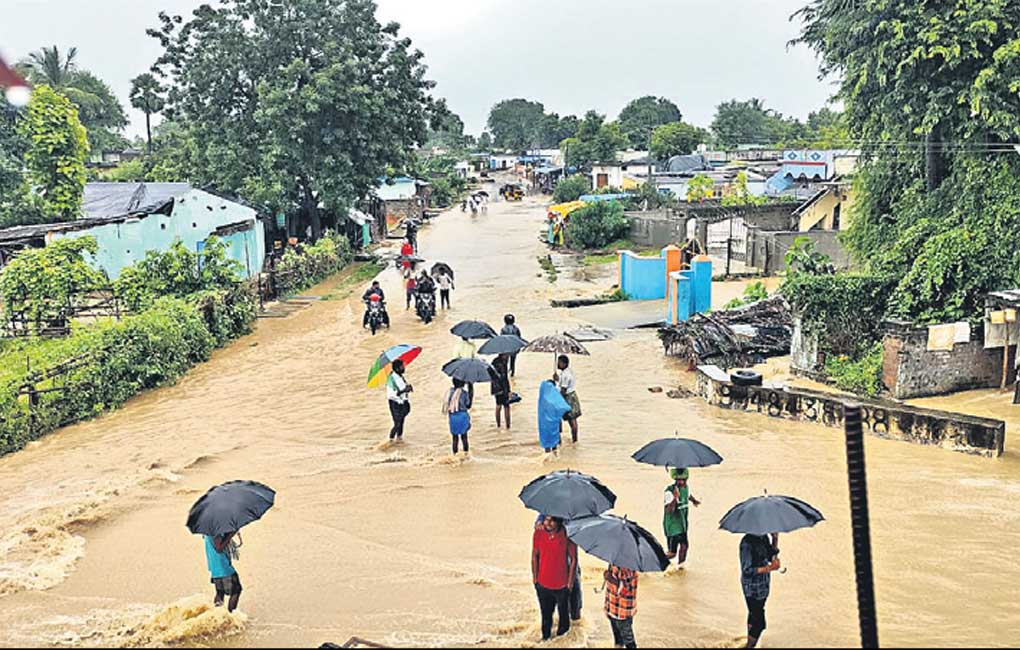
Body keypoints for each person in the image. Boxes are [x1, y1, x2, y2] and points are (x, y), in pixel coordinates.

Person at [531, 515, 577, 641]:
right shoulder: (538, 532)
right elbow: (534, 555)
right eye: (546, 519)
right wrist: (535, 578)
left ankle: (562, 642)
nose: (548, 523)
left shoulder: (568, 534)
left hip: (562, 586)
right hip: (542, 584)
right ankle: (546, 641)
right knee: (546, 617)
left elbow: (574, 559)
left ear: (559, 521)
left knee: (564, 618)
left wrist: (570, 583)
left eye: (552, 520)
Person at [740, 533, 781, 649]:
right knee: (760, 624)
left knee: (753, 615)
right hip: (752, 588)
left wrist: (775, 539)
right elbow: (746, 570)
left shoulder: (763, 537)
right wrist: (769, 568)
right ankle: (749, 646)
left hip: (763, 585)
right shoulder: (747, 544)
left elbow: (770, 556)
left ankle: (750, 641)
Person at [663, 468, 701, 565]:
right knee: (672, 553)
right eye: (678, 480)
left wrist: (694, 500)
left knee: (684, 546)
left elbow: (687, 495)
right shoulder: (669, 491)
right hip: (673, 526)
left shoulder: (685, 488)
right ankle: (657, 559)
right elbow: (669, 510)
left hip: (682, 524)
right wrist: (675, 498)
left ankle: (680, 567)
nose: (681, 482)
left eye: (683, 480)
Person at [204, 531, 242, 613]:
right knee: (236, 590)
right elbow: (219, 548)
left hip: (215, 569)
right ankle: (231, 617)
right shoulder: (216, 528)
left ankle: (217, 616)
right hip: (224, 568)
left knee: (220, 593)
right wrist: (232, 533)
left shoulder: (208, 529)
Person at [604, 563, 638, 649]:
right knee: (618, 639)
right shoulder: (614, 563)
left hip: (622, 612)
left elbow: (626, 589)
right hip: (613, 608)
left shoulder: (628, 566)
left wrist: (610, 578)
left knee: (629, 642)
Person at [553, 355, 581, 443]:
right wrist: (557, 380)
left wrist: (557, 401)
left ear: (563, 363)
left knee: (571, 420)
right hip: (571, 395)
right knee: (572, 419)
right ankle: (574, 440)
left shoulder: (565, 375)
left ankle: (574, 440)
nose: (557, 364)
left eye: (559, 362)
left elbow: (563, 390)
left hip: (567, 397)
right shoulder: (567, 371)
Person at [538, 379, 570, 453]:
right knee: (554, 442)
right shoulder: (554, 399)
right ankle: (555, 455)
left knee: (547, 443)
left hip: (544, 426)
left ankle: (548, 456)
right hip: (554, 426)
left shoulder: (543, 399)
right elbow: (563, 407)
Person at [442, 378, 472, 455]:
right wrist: (471, 389)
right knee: (464, 437)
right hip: (462, 416)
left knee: (455, 438)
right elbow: (468, 405)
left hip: (453, 417)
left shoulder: (449, 392)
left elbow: (447, 404)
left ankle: (455, 455)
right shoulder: (464, 393)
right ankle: (466, 454)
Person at [386, 359, 412, 441]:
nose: (404, 368)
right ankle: (390, 439)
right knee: (397, 423)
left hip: (402, 402)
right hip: (395, 403)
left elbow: (402, 388)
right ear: (397, 368)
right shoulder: (392, 378)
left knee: (401, 422)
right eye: (402, 366)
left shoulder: (399, 376)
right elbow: (396, 393)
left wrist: (408, 388)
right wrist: (405, 389)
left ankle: (399, 439)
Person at [492, 354, 512, 429]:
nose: (508, 356)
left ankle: (498, 425)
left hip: (495, 388)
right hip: (502, 388)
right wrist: (508, 390)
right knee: (506, 406)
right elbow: (504, 378)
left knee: (498, 405)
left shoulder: (494, 362)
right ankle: (508, 426)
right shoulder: (503, 363)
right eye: (507, 355)